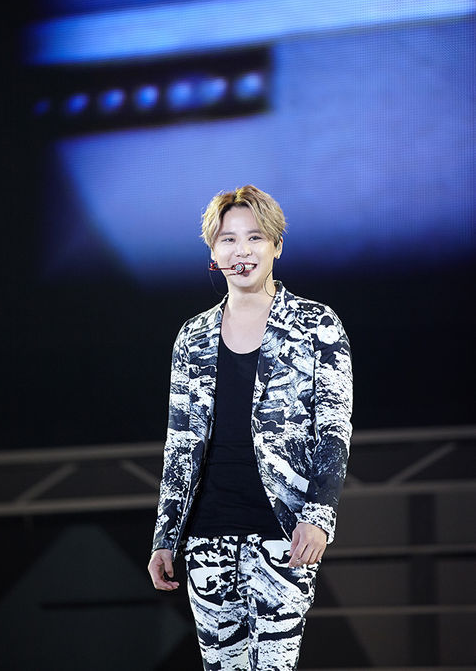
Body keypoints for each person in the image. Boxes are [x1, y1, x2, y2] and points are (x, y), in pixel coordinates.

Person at [148, 185, 352, 670]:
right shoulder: (192, 336)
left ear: (276, 245)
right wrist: (165, 536)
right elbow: (180, 444)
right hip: (206, 536)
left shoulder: (317, 325)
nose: (242, 251)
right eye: (228, 240)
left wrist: (319, 516)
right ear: (213, 253)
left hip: (283, 532)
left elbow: (334, 431)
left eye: (254, 237)